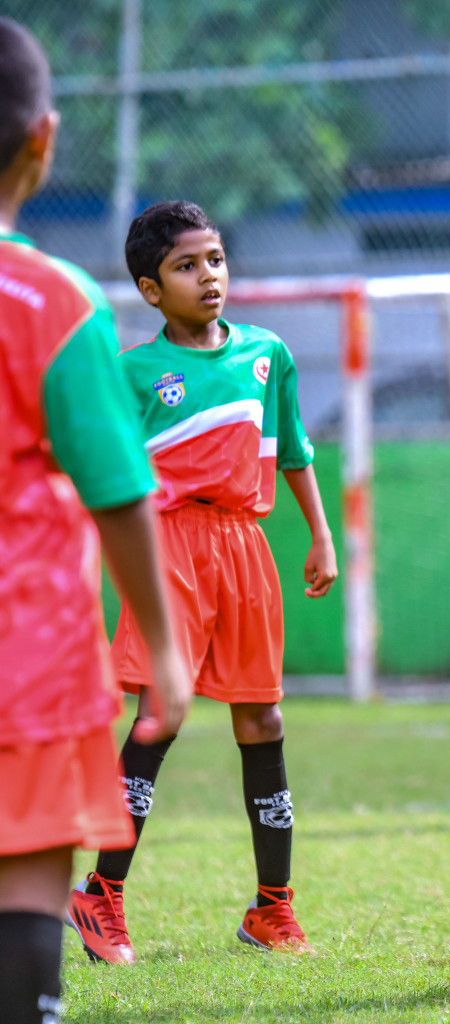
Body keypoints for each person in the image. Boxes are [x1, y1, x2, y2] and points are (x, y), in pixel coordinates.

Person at [67, 200, 338, 962]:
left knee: (264, 721)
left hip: (246, 548)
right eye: (187, 266)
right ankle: (102, 896)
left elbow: (293, 452)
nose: (208, 276)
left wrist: (319, 534)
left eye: (214, 259)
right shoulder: (135, 372)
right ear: (152, 290)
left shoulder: (266, 354)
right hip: (170, 548)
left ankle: (273, 910)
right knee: (161, 714)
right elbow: (105, 474)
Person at [0, 19, 192, 1022]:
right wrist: (162, 646)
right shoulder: (54, 299)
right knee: (27, 882)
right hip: (25, 652)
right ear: (44, 139)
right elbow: (119, 492)